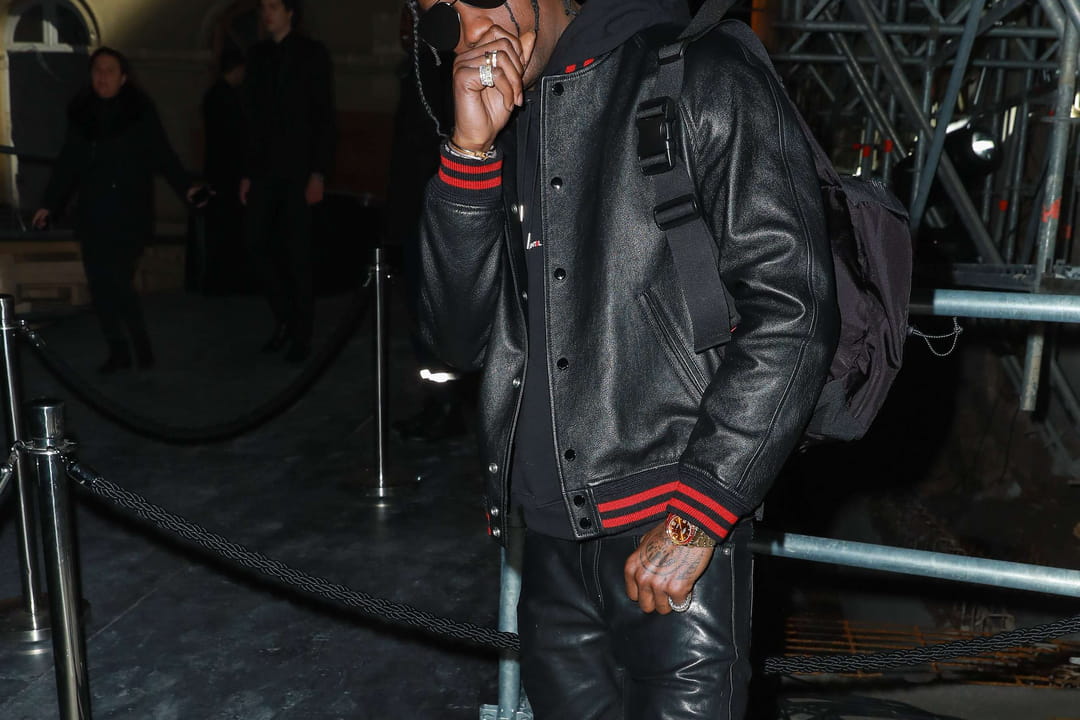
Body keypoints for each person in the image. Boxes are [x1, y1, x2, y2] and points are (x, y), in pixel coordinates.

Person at [412, 0, 839, 717]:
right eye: (441, 19)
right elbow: (454, 342)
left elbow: (794, 309)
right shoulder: (506, 120)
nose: (471, 30)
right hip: (548, 541)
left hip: (672, 536)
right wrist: (469, 154)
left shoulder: (702, 68)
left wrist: (698, 514)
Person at [33, 47, 203, 374]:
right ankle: (118, 349)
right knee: (99, 284)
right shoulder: (82, 113)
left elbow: (163, 153)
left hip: (129, 211)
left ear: (123, 77)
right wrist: (49, 204)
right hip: (94, 212)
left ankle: (140, 343)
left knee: (118, 280)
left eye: (110, 70)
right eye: (97, 70)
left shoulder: (139, 111)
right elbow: (69, 162)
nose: (102, 77)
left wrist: (187, 188)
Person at [240, 0, 336, 363]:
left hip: (298, 170)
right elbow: (251, 117)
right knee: (256, 243)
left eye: (273, 7)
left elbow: (323, 115)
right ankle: (284, 317)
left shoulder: (312, 53)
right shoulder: (257, 55)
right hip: (265, 170)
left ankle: (301, 334)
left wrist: (318, 172)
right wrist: (248, 172)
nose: (266, 13)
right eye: (263, 7)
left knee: (297, 254)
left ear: (290, 12)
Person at [198, 47, 249, 294]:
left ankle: (217, 277)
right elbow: (235, 138)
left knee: (218, 226)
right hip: (229, 171)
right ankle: (224, 278)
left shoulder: (214, 96)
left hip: (217, 169)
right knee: (227, 226)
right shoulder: (228, 98)